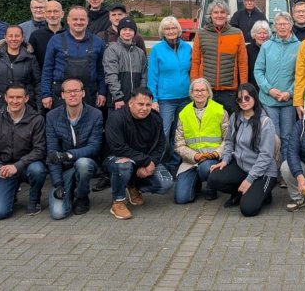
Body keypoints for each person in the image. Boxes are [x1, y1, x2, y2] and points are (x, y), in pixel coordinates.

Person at [208, 83, 278, 217]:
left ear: (254, 98)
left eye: (247, 98)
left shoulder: (265, 122)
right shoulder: (235, 117)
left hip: (264, 172)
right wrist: (225, 160)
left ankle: (264, 194)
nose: (243, 102)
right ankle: (240, 192)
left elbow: (265, 156)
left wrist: (249, 180)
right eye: (240, 99)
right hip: (242, 167)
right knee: (213, 178)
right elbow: (229, 141)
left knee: (248, 209)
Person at [105, 87, 174, 220]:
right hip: (117, 158)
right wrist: (147, 162)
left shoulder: (155, 118)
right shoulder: (116, 118)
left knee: (166, 184)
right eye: (140, 104)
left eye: (148, 104)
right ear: (130, 103)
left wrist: (152, 163)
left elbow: (161, 144)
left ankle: (132, 185)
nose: (144, 108)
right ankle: (118, 201)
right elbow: (118, 148)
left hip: (145, 160)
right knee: (124, 165)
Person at [0, 83, 48, 219]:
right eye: (11, 97)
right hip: (4, 168)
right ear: (5, 98)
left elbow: (40, 150)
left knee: (38, 170)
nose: (15, 101)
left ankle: (34, 200)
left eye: (19, 97)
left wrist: (17, 166)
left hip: (27, 166)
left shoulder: (37, 119)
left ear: (26, 98)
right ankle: (11, 192)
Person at [45, 79, 104, 220]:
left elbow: (94, 147)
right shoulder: (52, 116)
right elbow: (52, 153)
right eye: (68, 91)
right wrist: (58, 183)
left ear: (83, 93)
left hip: (86, 164)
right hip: (64, 169)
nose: (72, 94)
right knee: (58, 213)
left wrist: (68, 155)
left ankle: (82, 196)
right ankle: (69, 189)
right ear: (63, 95)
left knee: (83, 163)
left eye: (76, 91)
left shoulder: (95, 115)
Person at [253, 12, 300, 168]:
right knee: (273, 136)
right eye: (278, 24)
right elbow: (258, 70)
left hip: (288, 101)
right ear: (274, 27)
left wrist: (290, 92)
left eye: (285, 24)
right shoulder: (267, 46)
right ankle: (273, 169)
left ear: (291, 25)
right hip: (269, 100)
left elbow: (301, 74)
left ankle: (286, 171)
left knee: (288, 136)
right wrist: (269, 90)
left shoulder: (299, 46)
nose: (282, 27)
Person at [172, 78, 229, 204]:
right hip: (191, 161)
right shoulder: (184, 113)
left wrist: (216, 153)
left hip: (212, 158)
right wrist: (195, 156)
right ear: (191, 93)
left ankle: (211, 186)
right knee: (181, 199)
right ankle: (196, 181)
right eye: (196, 90)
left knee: (205, 168)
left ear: (208, 92)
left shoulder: (219, 110)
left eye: (203, 90)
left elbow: (228, 139)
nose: (199, 93)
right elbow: (179, 144)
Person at [147, 16, 192, 171]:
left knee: (179, 133)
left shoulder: (187, 48)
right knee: (164, 134)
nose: (171, 31)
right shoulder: (156, 50)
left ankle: (175, 164)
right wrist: (154, 99)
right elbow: (152, 76)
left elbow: (191, 71)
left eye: (173, 28)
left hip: (185, 98)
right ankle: (160, 163)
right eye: (167, 29)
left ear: (178, 30)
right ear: (163, 32)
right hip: (165, 99)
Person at [40, 6, 107, 110]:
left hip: (89, 95)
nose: (78, 22)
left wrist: (102, 92)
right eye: (75, 19)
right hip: (60, 96)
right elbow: (47, 70)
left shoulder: (98, 42)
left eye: (82, 19)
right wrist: (46, 94)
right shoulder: (55, 40)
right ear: (68, 20)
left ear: (87, 21)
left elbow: (101, 71)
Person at [191, 0, 248, 114]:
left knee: (228, 126)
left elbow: (242, 62)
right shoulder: (201, 34)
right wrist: (194, 85)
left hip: (229, 92)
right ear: (210, 15)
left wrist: (243, 86)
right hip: (206, 91)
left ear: (227, 15)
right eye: (216, 12)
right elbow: (195, 62)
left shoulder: (237, 33)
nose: (219, 15)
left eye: (222, 12)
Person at [0, 25, 41, 116]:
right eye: (10, 36)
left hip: (25, 108)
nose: (14, 39)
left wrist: (38, 108)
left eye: (17, 36)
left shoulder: (30, 58)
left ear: (22, 38)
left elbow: (38, 84)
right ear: (5, 38)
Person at [102, 17, 147, 110]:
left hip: (136, 101)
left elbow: (144, 76)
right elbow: (111, 75)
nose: (127, 32)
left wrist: (140, 95)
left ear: (134, 32)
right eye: (124, 29)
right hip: (117, 102)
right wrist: (118, 97)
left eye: (130, 30)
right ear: (119, 31)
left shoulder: (140, 52)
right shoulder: (112, 50)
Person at [29, 0, 66, 69]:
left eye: (56, 11)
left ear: (62, 14)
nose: (52, 15)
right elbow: (31, 62)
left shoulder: (69, 35)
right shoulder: (35, 36)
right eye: (49, 12)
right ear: (44, 15)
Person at [245, 20, 271, 92]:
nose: (262, 36)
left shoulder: (272, 49)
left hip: (269, 89)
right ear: (254, 34)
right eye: (259, 33)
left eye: (265, 33)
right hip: (251, 88)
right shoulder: (247, 50)